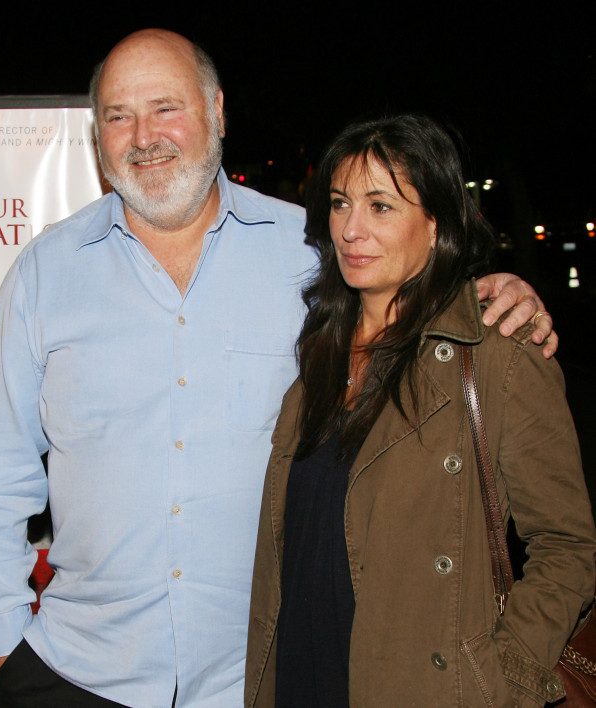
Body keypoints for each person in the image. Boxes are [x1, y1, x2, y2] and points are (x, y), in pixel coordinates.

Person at [0, 30, 558, 708]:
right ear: (98, 137)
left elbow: (415, 301)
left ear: (215, 111)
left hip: (261, 682)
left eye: (164, 107)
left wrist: (494, 295)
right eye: (118, 116)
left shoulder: (312, 258)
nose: (143, 136)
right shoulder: (43, 274)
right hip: (75, 675)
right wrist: (8, 656)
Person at [245, 115, 596, 707]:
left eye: (380, 206)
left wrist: (499, 678)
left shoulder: (496, 354)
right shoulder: (318, 356)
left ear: (436, 225)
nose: (351, 229)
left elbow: (567, 547)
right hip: (302, 674)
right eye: (339, 204)